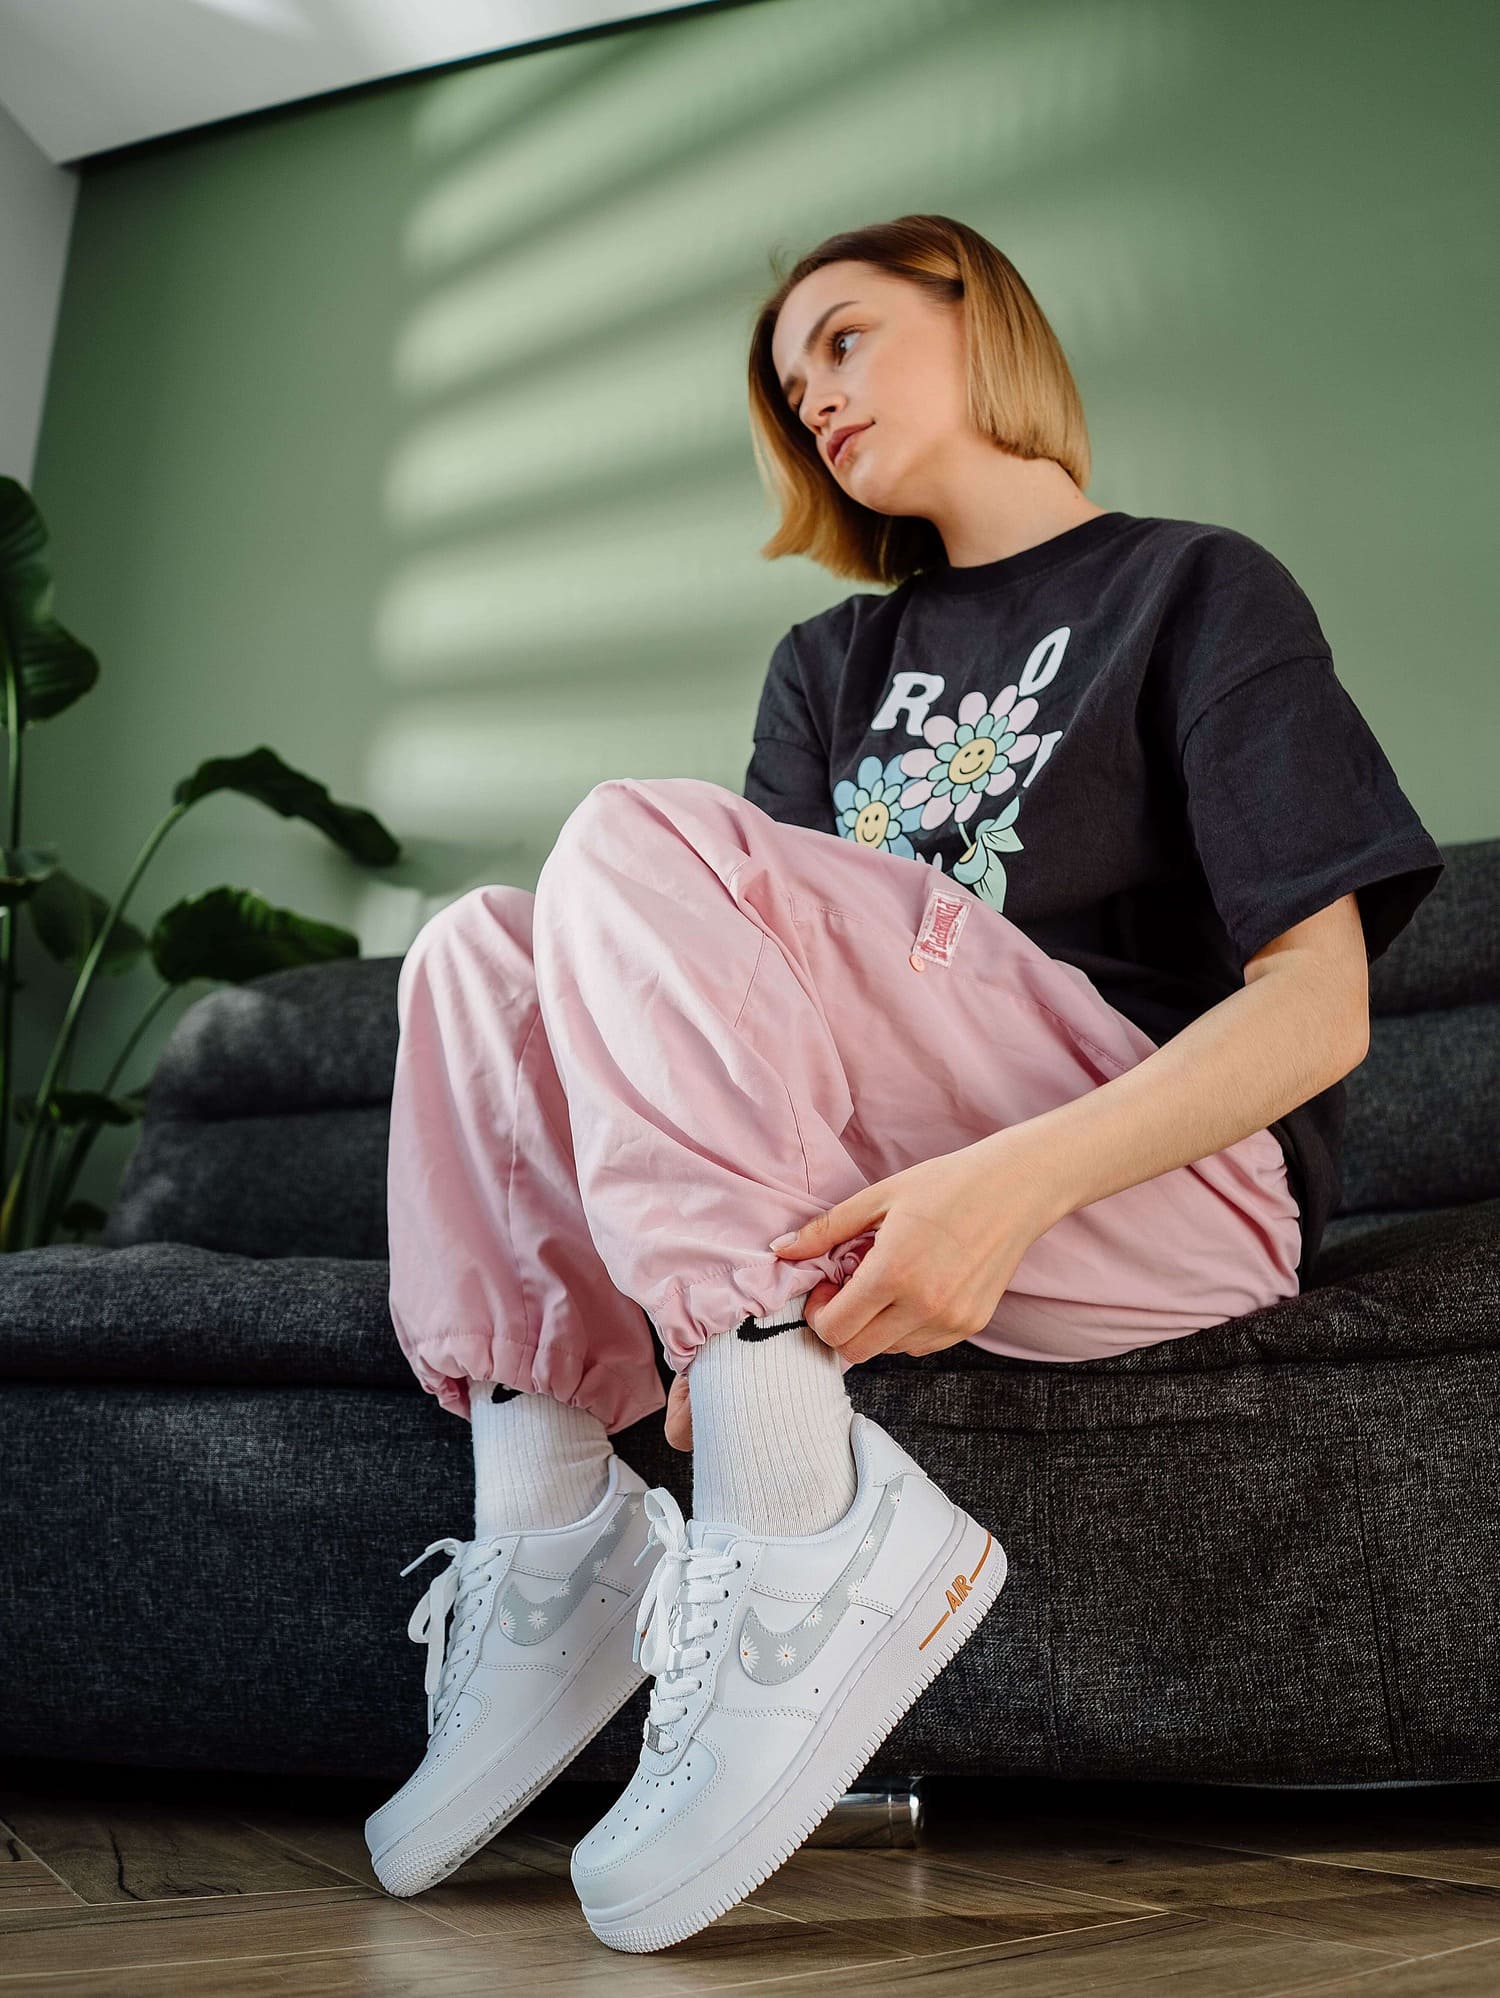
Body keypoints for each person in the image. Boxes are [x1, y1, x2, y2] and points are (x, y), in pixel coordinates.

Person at [364, 214, 1445, 1951]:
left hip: (1155, 1192)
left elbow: (1316, 1015)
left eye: (846, 342)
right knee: (479, 948)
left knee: (622, 837)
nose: (817, 404)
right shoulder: (828, 669)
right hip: (873, 1199)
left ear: (978, 313)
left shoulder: (1193, 588)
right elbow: (731, 1017)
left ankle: (804, 1515)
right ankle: (560, 1536)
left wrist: (1001, 1187)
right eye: (794, 394)